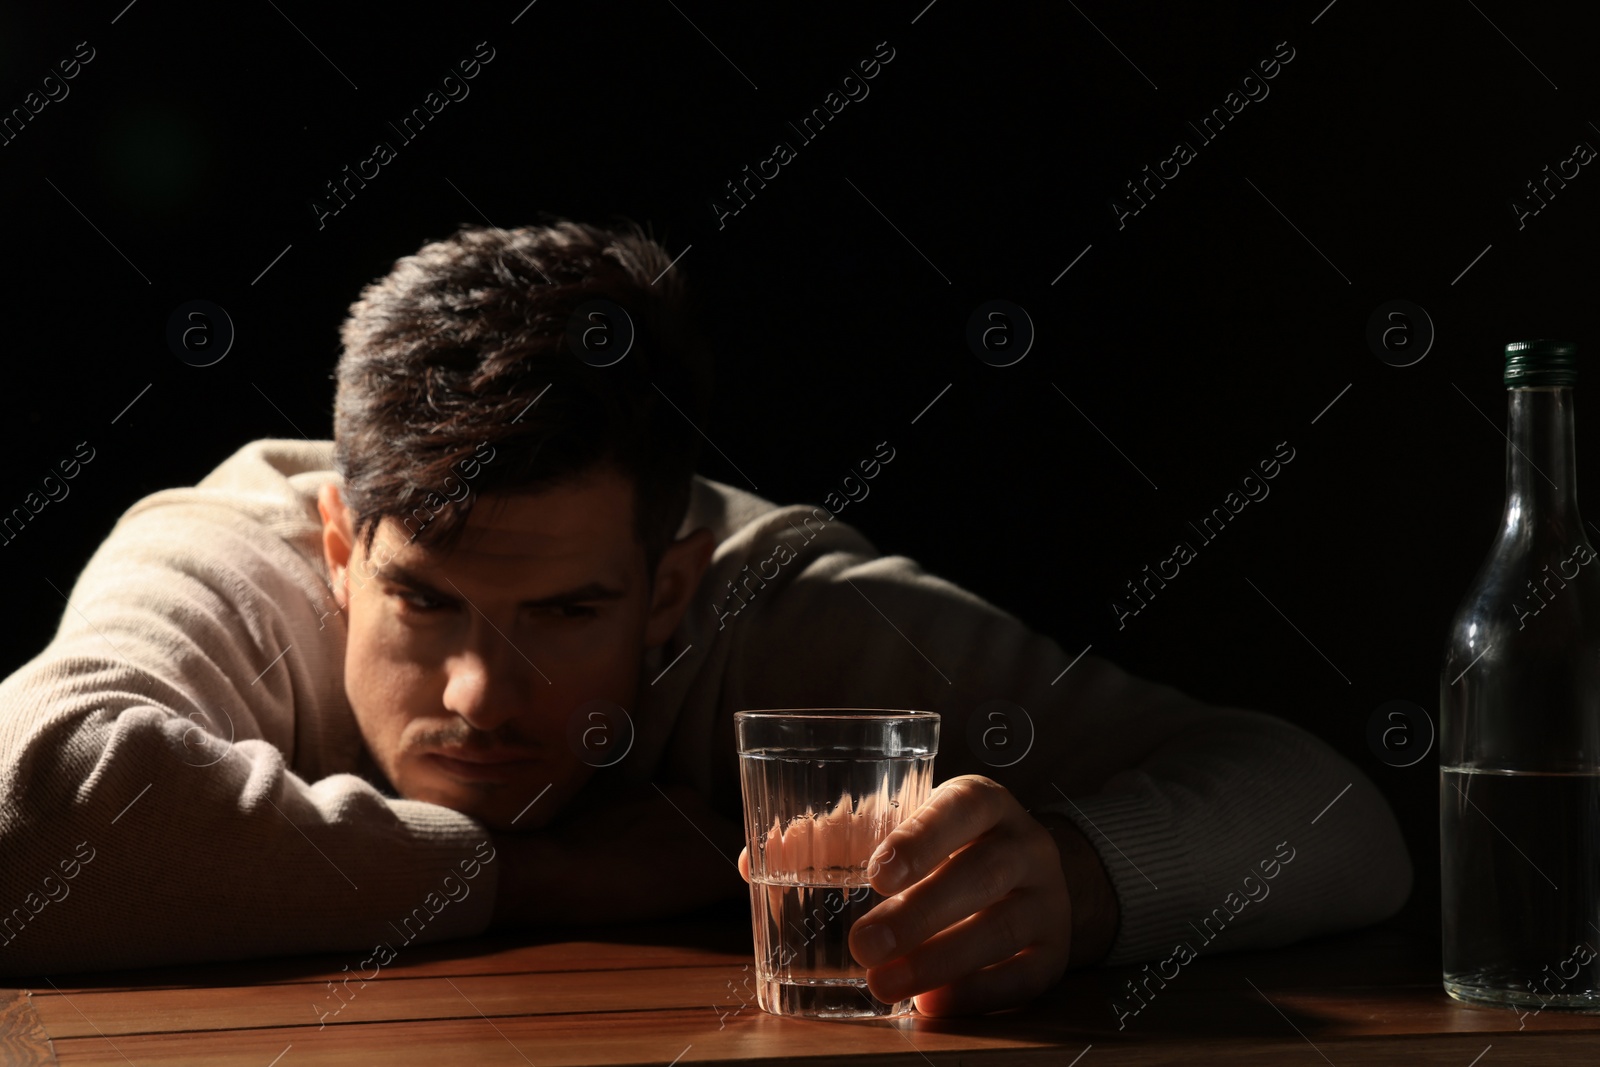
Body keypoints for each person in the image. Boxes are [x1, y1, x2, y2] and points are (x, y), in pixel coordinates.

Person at [0, 219, 1412, 1016]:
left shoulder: (775, 606)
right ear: (338, 545)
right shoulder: (229, 554)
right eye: (425, 601)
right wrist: (553, 877)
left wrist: (1082, 882)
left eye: (565, 610)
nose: (481, 696)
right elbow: (20, 819)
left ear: (669, 587)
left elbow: (1335, 815)